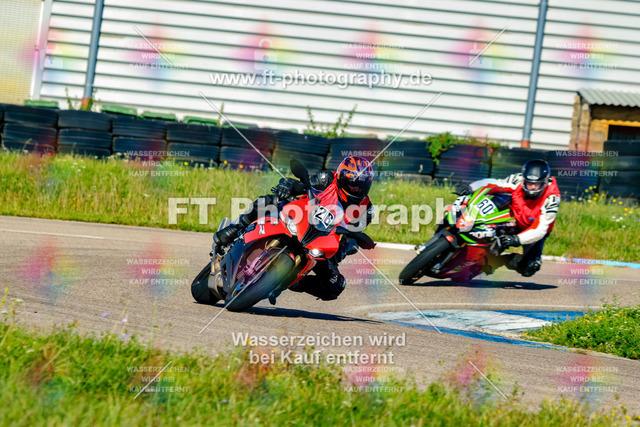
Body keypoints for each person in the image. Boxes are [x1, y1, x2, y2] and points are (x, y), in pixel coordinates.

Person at [213, 156, 375, 301]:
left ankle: (292, 281)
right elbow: (303, 185)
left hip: (324, 240)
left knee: (335, 285)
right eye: (352, 185)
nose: (356, 190)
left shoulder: (366, 210)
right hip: (300, 216)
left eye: (361, 186)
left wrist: (350, 245)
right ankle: (236, 227)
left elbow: (352, 238)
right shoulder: (327, 179)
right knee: (270, 201)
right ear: (341, 178)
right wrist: (288, 185)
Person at [453, 159, 560, 277]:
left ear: (545, 182)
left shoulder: (552, 199)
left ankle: (499, 261)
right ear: (524, 180)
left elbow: (540, 229)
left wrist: (516, 239)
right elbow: (495, 183)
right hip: (514, 220)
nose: (532, 187)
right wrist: (470, 187)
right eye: (529, 183)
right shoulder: (518, 180)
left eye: (537, 184)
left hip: (533, 231)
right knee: (487, 230)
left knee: (530, 267)